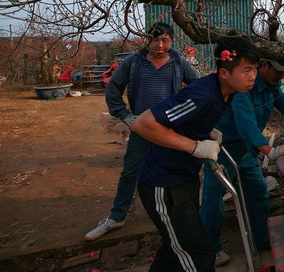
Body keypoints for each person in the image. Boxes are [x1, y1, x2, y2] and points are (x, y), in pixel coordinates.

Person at [130, 36, 261, 271]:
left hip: (183, 179)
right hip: (164, 185)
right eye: (246, 70)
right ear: (224, 73)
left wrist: (203, 132)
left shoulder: (227, 93)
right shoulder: (201, 94)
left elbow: (185, 121)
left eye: (255, 69)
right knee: (198, 256)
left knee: (176, 250)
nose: (253, 76)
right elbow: (142, 124)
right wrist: (195, 146)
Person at [85, 22, 199, 241]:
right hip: (142, 129)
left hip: (169, 128)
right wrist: (127, 117)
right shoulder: (134, 63)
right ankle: (117, 216)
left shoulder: (178, 63)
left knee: (177, 171)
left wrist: (186, 115)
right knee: (130, 172)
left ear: (171, 40)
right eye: (155, 39)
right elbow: (113, 90)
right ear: (147, 39)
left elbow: (196, 88)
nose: (159, 44)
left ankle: (175, 213)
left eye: (165, 40)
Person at [200, 58, 284, 263]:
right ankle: (211, 249)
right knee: (213, 201)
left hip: (247, 153)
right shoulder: (243, 89)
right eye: (277, 71)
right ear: (264, 66)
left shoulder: (273, 86)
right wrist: (271, 152)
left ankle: (263, 238)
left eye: (283, 72)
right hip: (222, 151)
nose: (280, 75)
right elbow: (247, 127)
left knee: (258, 192)